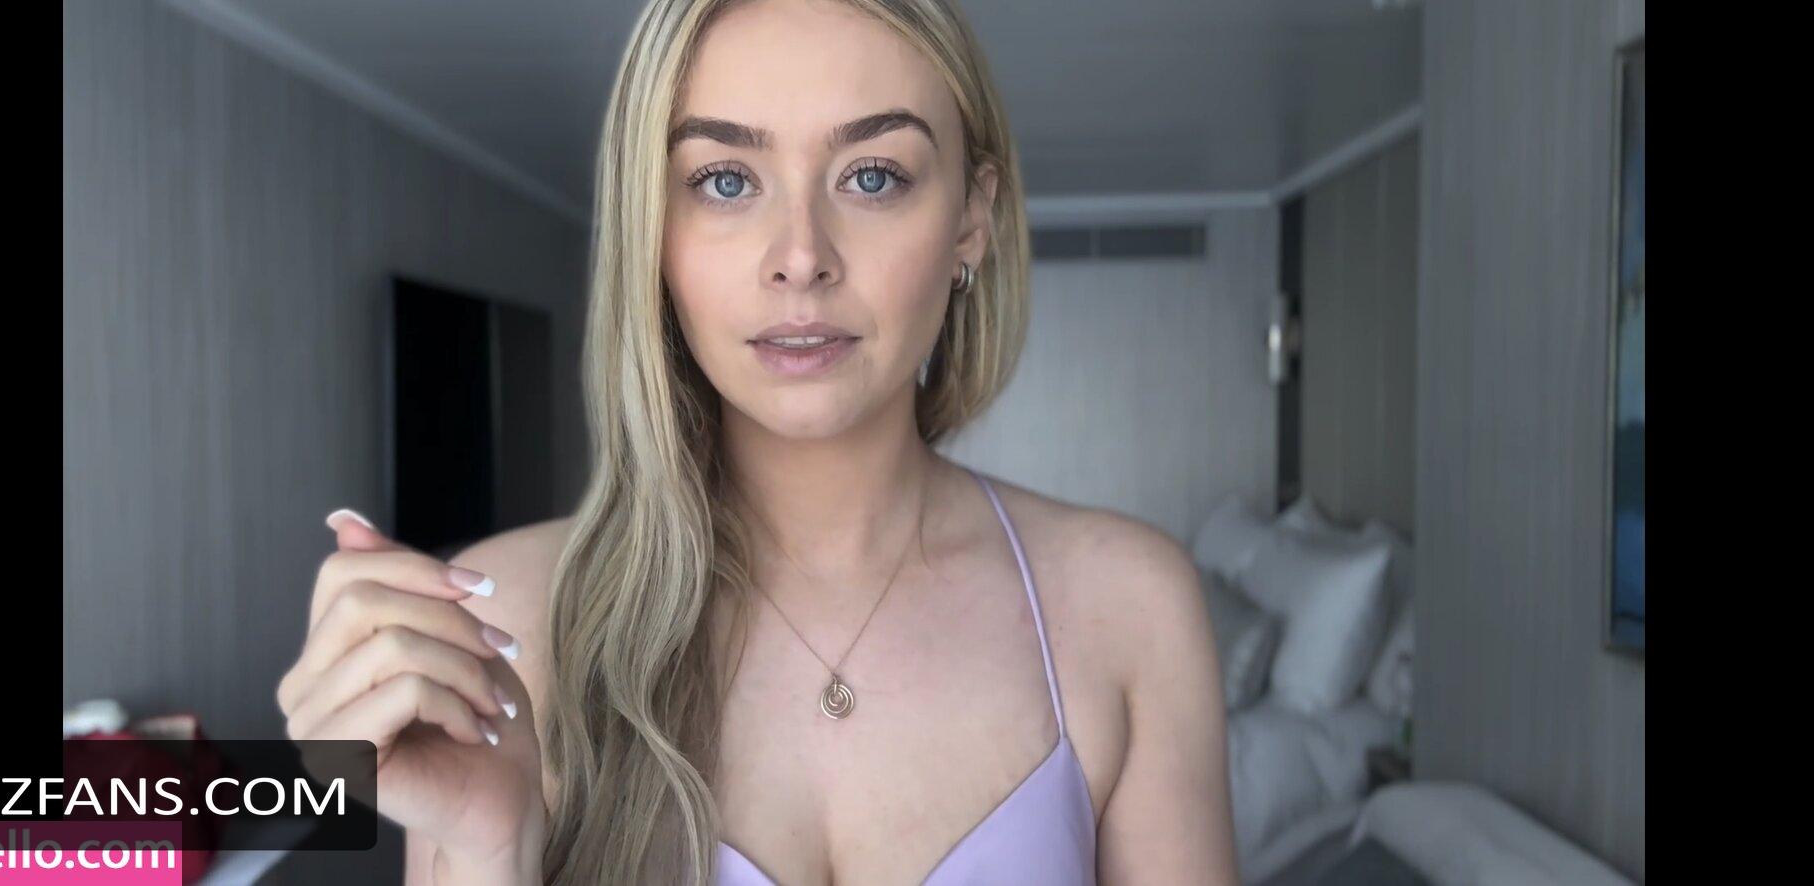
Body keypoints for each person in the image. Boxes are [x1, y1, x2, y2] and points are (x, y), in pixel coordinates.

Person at [275, 0, 1236, 882]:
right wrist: (491, 850)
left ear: (971, 223)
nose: (801, 257)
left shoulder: (1129, 607)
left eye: (872, 176)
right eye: (726, 180)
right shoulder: (500, 626)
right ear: (654, 232)